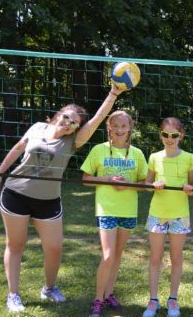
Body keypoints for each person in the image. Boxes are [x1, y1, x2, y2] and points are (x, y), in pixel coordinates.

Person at [0, 83, 125, 313]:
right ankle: (13, 294)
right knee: (16, 245)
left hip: (48, 201)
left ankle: (49, 288)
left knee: (54, 248)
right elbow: (17, 148)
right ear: (59, 114)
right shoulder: (37, 127)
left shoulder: (72, 141)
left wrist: (113, 93)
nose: (69, 123)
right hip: (16, 193)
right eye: (67, 117)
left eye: (74, 122)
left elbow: (97, 119)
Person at [81, 110, 148, 317]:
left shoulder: (136, 153)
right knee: (108, 255)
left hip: (128, 211)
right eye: (115, 125)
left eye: (123, 126)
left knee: (117, 255)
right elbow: (85, 178)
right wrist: (108, 180)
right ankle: (98, 300)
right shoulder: (99, 150)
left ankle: (109, 293)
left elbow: (145, 184)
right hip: (107, 208)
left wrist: (128, 185)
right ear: (109, 127)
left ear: (130, 128)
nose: (119, 129)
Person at [142, 117, 193, 317]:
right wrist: (152, 185)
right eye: (165, 134)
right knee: (155, 258)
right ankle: (153, 300)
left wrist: (191, 189)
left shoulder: (189, 157)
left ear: (181, 136)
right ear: (160, 135)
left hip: (180, 215)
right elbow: (147, 184)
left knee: (176, 258)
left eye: (174, 135)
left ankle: (173, 300)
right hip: (157, 214)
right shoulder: (154, 157)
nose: (169, 138)